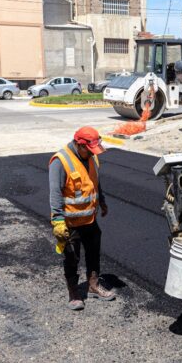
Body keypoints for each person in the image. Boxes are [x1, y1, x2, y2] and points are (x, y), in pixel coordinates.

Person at [49, 126, 116, 310]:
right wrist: (58, 220)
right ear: (80, 145)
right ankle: (74, 293)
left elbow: (94, 182)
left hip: (90, 220)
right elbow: (55, 193)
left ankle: (93, 286)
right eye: (90, 149)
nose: (93, 153)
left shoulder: (92, 157)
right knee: (72, 258)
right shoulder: (60, 161)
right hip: (70, 223)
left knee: (94, 253)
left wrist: (101, 201)